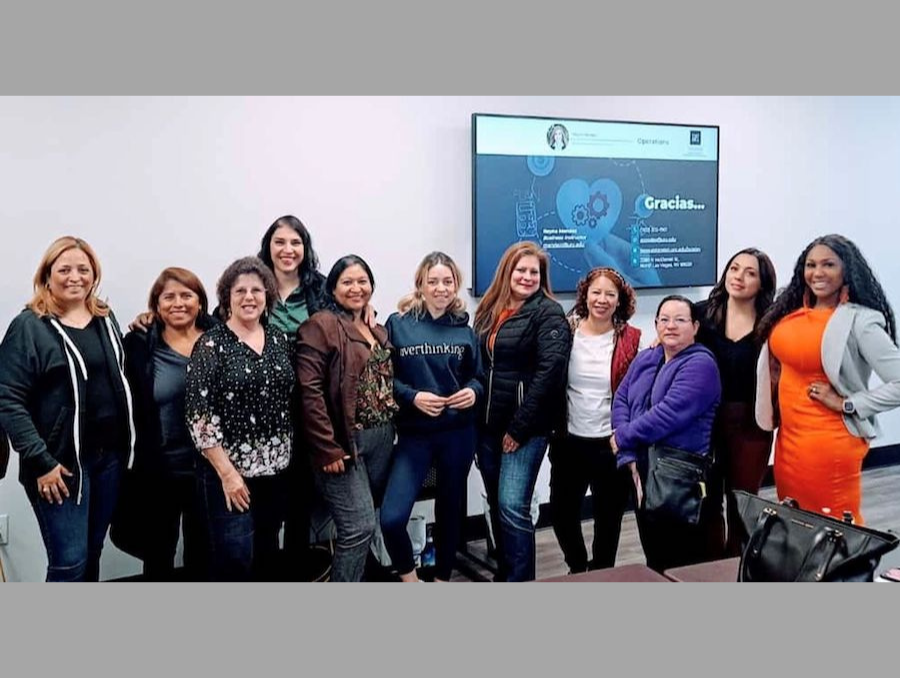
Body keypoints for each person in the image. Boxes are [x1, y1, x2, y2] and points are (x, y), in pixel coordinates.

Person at [0, 236, 135, 582]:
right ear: (47, 275)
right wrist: (41, 462)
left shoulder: (105, 317)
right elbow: (7, 399)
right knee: (69, 562)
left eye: (83, 269)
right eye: (64, 269)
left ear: (94, 275)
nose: (75, 276)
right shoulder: (30, 326)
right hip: (58, 467)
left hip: (109, 460)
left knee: (92, 553)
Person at [756, 234, 900, 524]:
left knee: (832, 527)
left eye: (828, 264)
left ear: (846, 269)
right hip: (788, 441)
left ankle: (844, 571)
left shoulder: (861, 321)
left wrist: (848, 403)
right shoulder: (791, 311)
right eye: (811, 265)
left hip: (829, 443)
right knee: (795, 524)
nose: (818, 273)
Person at [185, 256, 295, 581]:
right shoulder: (211, 344)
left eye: (257, 290)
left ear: (267, 296)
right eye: (240, 291)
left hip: (276, 471)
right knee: (235, 559)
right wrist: (228, 475)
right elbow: (199, 417)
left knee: (266, 552)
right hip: (230, 475)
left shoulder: (278, 339)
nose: (249, 297)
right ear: (227, 298)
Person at [379, 252, 483, 582]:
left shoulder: (465, 331)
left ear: (456, 286)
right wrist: (413, 397)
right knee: (393, 517)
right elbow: (382, 379)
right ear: (420, 285)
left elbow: (480, 377)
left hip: (458, 434)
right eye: (433, 281)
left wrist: (473, 391)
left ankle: (441, 580)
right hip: (415, 435)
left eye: (447, 281)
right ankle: (410, 581)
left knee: (450, 511)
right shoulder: (399, 324)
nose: (441, 288)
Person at [297, 255, 398, 582]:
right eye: (347, 282)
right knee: (359, 526)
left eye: (362, 281)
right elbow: (309, 390)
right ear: (333, 288)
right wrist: (326, 447)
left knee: (370, 519)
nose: (356, 288)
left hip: (382, 436)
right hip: (344, 440)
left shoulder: (375, 326)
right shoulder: (321, 325)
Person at [474, 241, 570, 581]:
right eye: (521, 270)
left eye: (534, 272)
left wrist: (518, 429)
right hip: (487, 428)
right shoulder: (488, 309)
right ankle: (507, 576)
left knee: (513, 508)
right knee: (499, 509)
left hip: (525, 430)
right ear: (507, 272)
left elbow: (550, 373)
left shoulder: (548, 312)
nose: (527, 277)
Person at [611, 295, 721, 573]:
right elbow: (621, 399)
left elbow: (668, 415)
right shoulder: (647, 357)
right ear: (656, 323)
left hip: (679, 477)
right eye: (665, 319)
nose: (671, 326)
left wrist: (622, 438)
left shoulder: (701, 365)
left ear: (695, 326)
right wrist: (627, 456)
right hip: (643, 470)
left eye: (680, 320)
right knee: (655, 559)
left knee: (682, 564)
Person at [122, 267, 215, 580]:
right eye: (169, 296)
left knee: (203, 552)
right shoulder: (139, 343)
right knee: (158, 553)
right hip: (160, 470)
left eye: (187, 295)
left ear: (200, 302)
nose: (179, 303)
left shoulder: (219, 338)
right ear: (156, 305)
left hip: (210, 468)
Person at [549, 267, 642, 573]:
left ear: (620, 301)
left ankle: (602, 574)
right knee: (562, 513)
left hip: (610, 443)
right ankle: (577, 568)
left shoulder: (631, 339)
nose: (602, 300)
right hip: (569, 440)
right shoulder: (565, 331)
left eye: (610, 294)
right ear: (585, 295)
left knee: (608, 519)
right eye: (596, 292)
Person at [257, 215, 327, 578]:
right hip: (260, 415)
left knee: (301, 501)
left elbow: (341, 329)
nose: (287, 250)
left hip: (307, 409)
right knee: (265, 507)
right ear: (268, 245)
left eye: (295, 242)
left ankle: (298, 574)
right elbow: (219, 324)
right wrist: (152, 320)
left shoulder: (320, 288)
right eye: (280, 242)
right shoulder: (251, 284)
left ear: (305, 247)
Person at [696, 248, 777, 556]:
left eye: (750, 272)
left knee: (743, 502)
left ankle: (736, 568)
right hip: (705, 422)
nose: (739, 277)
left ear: (763, 283)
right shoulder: (701, 314)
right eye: (734, 269)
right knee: (707, 500)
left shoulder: (772, 323)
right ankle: (708, 570)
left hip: (750, 424)